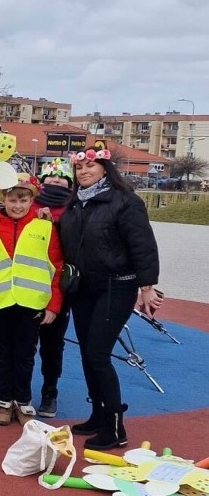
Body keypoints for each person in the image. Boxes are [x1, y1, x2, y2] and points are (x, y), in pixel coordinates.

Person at [58, 145, 161, 449]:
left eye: (90, 167)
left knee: (98, 354)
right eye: (79, 169)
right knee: (88, 353)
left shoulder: (124, 201)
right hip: (84, 287)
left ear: (105, 168)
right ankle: (98, 415)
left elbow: (142, 244)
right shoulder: (75, 203)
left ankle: (116, 427)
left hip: (116, 285)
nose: (84, 172)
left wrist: (147, 286)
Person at [0, 174, 64, 425]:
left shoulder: (45, 227)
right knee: (2, 353)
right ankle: (4, 401)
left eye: (23, 200)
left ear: (32, 201)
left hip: (32, 301)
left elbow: (56, 267)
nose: (17, 205)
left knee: (26, 354)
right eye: (12, 199)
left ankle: (23, 402)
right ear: (2, 198)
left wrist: (53, 304)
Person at [33, 157, 75, 417]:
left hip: (59, 287)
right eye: (51, 176)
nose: (56, 180)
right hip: (26, 287)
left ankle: (50, 391)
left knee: (52, 344)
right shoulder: (27, 203)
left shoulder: (76, 208)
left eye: (62, 177)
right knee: (21, 344)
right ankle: (15, 393)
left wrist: (55, 226)